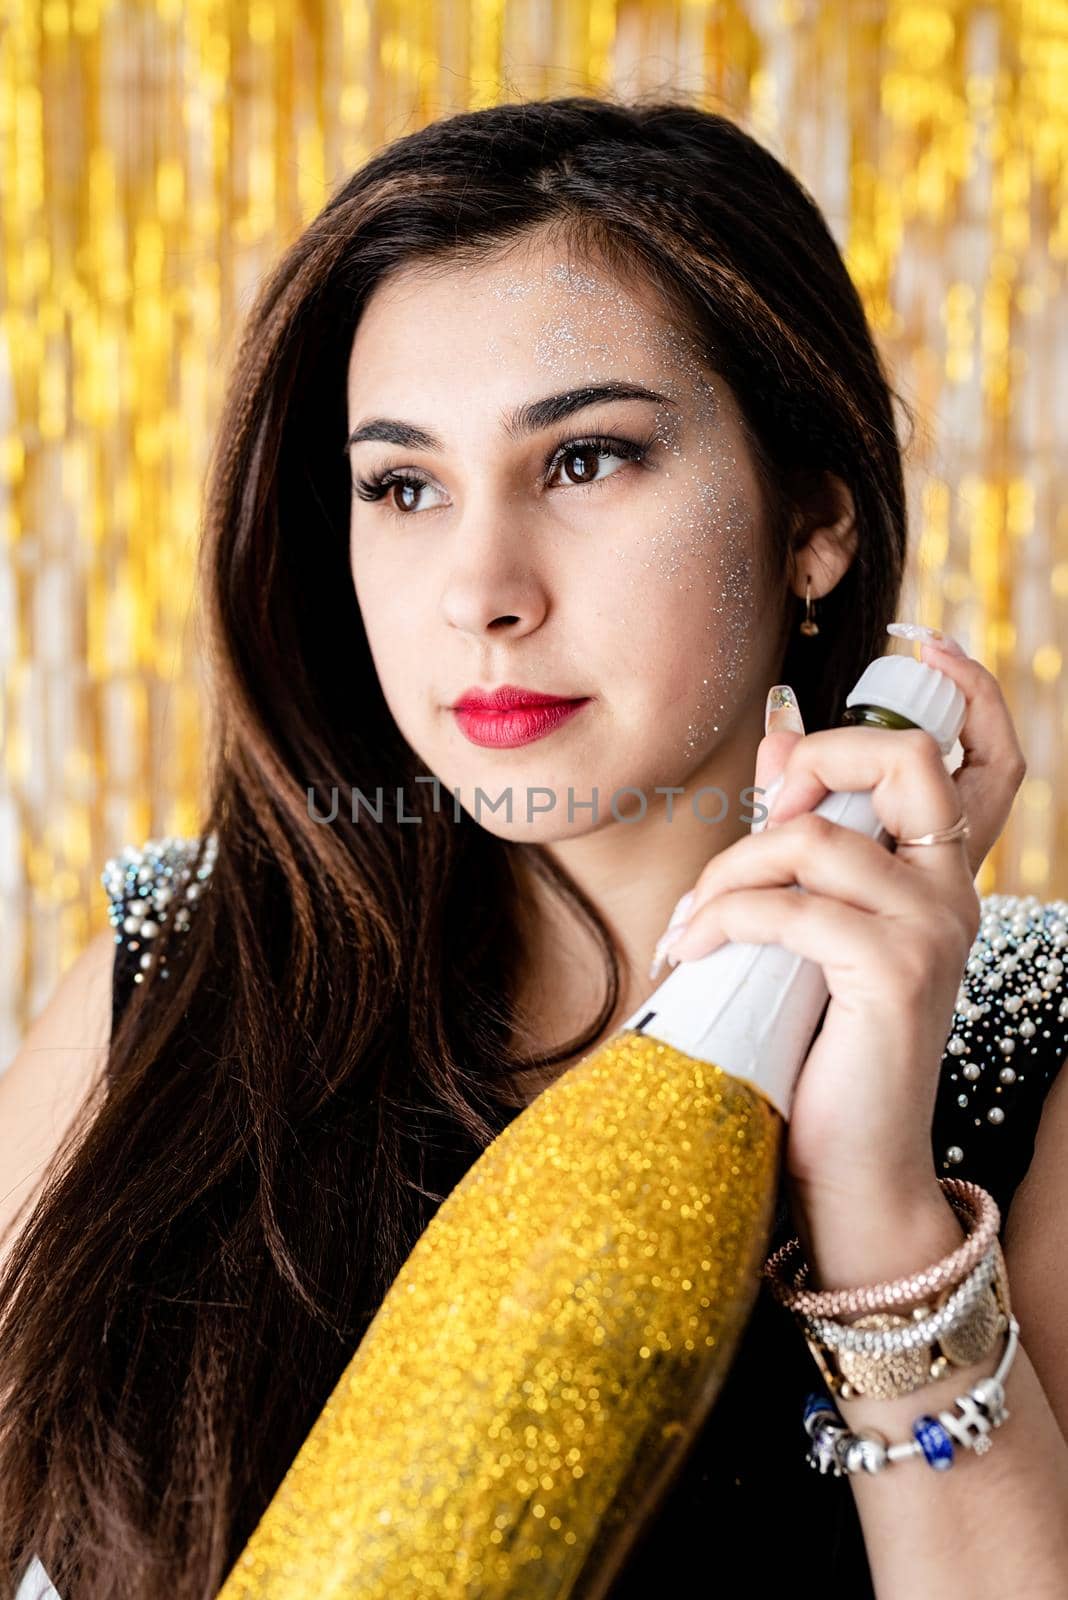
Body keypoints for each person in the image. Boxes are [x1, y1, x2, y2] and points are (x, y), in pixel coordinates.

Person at [2, 95, 1067, 1600]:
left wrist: (876, 1201)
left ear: (814, 514)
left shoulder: (1034, 1042)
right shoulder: (177, 975)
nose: (479, 590)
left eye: (585, 462)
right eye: (404, 485)